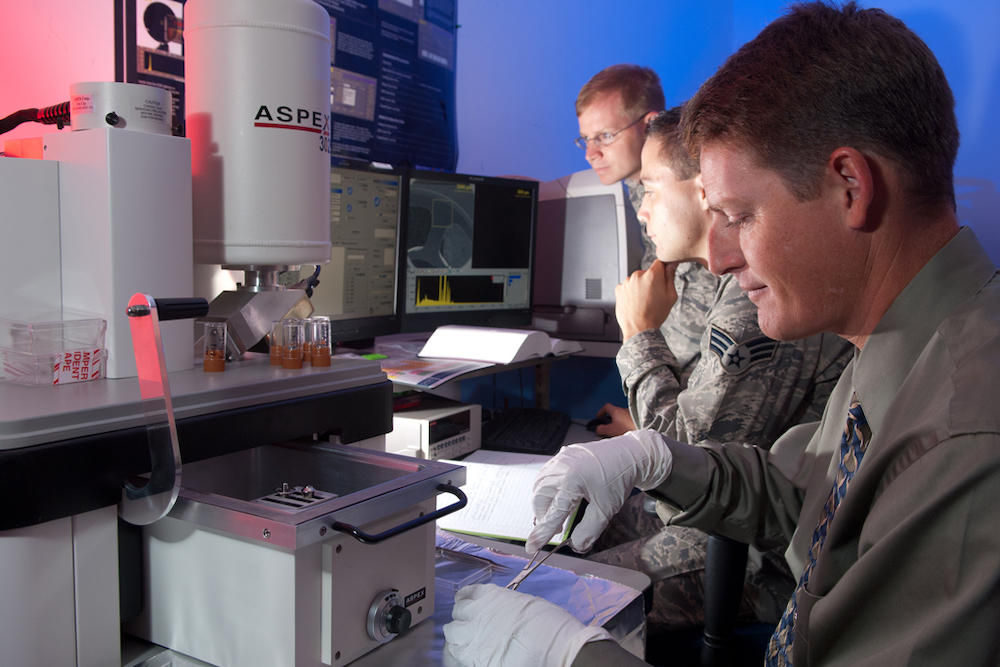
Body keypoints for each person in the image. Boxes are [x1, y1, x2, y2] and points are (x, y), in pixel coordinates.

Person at [444, 3, 1000, 666]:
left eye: (738, 215)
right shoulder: (897, 346)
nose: (718, 257)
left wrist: (575, 657)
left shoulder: (964, 433)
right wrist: (656, 458)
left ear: (851, 186)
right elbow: (798, 493)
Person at [586, 107, 853, 634]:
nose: (641, 210)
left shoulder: (758, 293)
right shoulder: (717, 276)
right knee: (580, 529)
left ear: (705, 189)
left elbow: (689, 458)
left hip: (764, 551)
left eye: (650, 189)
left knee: (577, 589)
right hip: (736, 506)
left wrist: (639, 333)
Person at [575, 63, 663, 270]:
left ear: (649, 125)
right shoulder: (637, 185)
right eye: (586, 139)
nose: (590, 155)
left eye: (605, 136)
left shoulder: (695, 183)